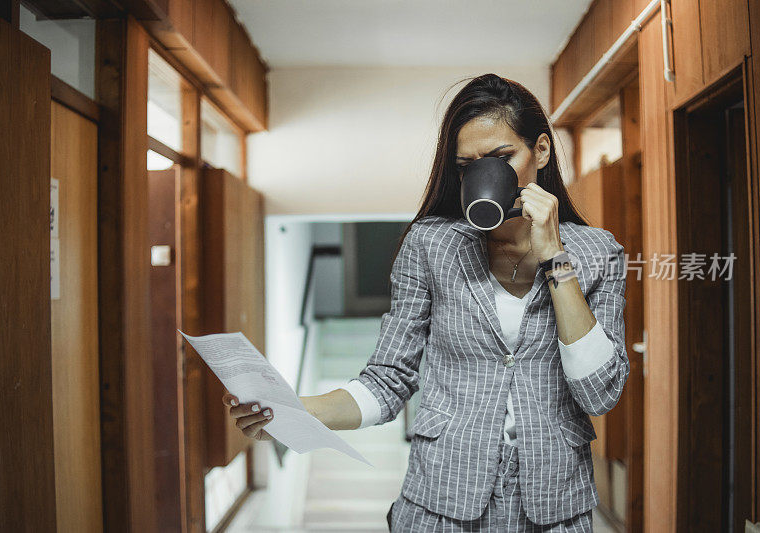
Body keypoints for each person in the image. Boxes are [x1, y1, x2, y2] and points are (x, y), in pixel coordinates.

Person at [223, 74, 629, 532]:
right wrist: (297, 410)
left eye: (500, 159)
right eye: (466, 165)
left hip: (555, 507)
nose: (483, 175)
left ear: (540, 150)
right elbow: (389, 378)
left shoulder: (598, 252)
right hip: (441, 502)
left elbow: (599, 393)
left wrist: (556, 258)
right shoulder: (431, 245)